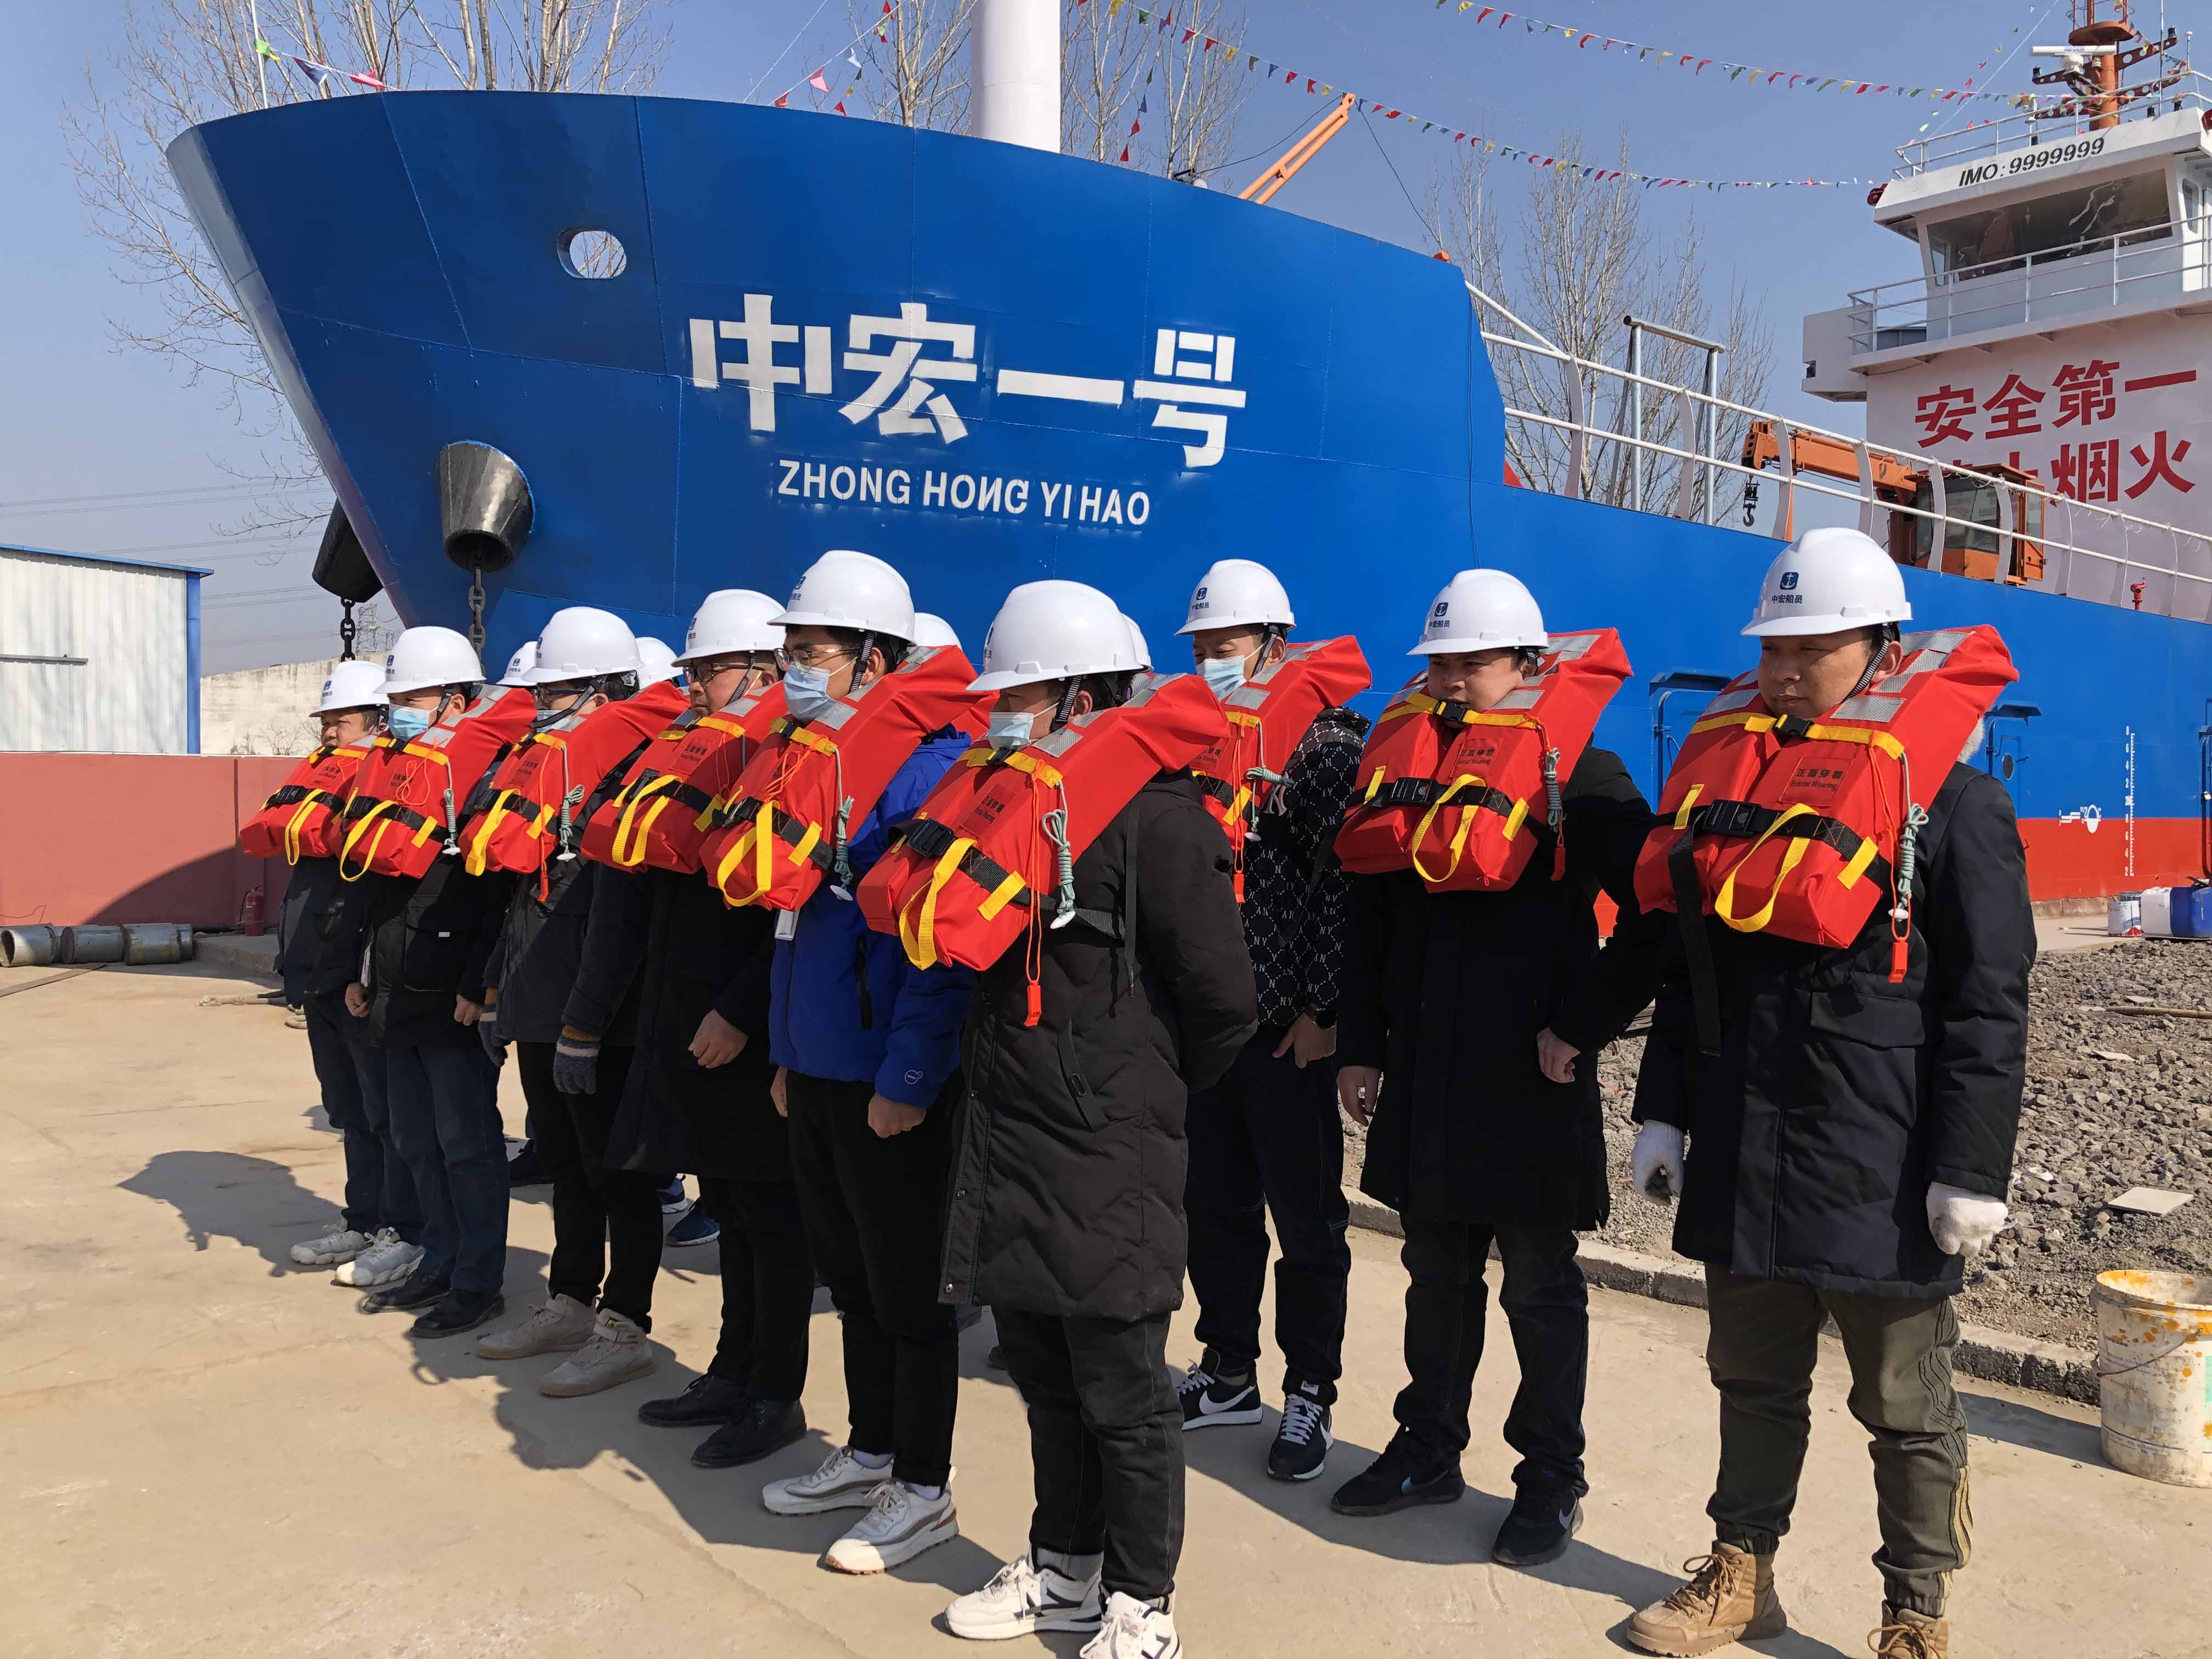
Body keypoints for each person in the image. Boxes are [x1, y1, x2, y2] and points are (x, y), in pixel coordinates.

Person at [1624, 530, 2030, 1659]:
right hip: (1746, 1144)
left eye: (1815, 647)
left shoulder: (1956, 805)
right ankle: (1741, 1573)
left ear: (1883, 649)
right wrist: (1666, 1105)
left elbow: (1990, 1004)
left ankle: (1916, 1613)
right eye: (1774, 648)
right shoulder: (1735, 788)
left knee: (1905, 1404)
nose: (1786, 669)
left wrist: (1970, 1169)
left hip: (1880, 1164)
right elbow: (1692, 966)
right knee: (1750, 1378)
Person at [938, 581, 1257, 1657]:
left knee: (1124, 1391)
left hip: (1106, 1145)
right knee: (1044, 1376)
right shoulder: (1013, 806)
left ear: (1080, 697)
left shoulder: (1163, 821)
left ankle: (1141, 1600)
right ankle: (1063, 1567)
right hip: (1011, 1135)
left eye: (1017, 695)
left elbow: (1224, 1002)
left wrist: (1132, 1092)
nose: (999, 714)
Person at [1330, 569, 1663, 1567]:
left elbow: (1655, 912)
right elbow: (1368, 915)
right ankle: (1427, 1447)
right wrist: (1361, 1042)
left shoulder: (1581, 773)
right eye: (1437, 663)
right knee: (1433, 1276)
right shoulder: (1406, 767)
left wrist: (1581, 1023)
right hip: (1426, 1073)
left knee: (1539, 1288)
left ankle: (1550, 1476)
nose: (1447, 680)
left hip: (1529, 1081)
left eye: (1468, 662)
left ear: (1527, 664)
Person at [753, 550, 976, 1575]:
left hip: (884, 1075)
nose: (794, 671)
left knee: (908, 1290)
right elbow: (794, 925)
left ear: (875, 660)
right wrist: (787, 1050)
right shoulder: (820, 762)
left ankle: (923, 1488)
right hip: (818, 1063)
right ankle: (872, 1450)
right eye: (790, 653)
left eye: (813, 652)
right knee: (850, 1277)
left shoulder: (927, 773)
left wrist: (909, 1078)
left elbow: (936, 949)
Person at [613, 589, 821, 1470]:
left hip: (749, 1027)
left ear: (764, 673)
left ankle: (775, 1394)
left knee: (772, 1219)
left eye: (711, 669)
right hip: (695, 1015)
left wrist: (739, 1013)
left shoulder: (791, 762)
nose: (694, 685)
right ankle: (733, 1370)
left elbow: (788, 916)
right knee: (731, 1208)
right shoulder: (718, 752)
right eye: (691, 670)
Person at [1171, 558, 1367, 1482]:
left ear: (1275, 645)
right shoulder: (1191, 741)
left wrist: (1327, 1012)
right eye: (1201, 648)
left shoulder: (1324, 749)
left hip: (1288, 1026)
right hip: (1210, 1024)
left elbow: (1344, 889)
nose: (1212, 661)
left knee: (1307, 1220)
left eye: (1228, 645)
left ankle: (1310, 1388)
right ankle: (1226, 1369)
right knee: (1213, 1204)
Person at [475, 608, 672, 1396]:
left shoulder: (634, 776)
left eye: (555, 692)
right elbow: (524, 901)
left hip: (602, 1020)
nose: (541, 706)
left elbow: (615, 921)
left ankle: (625, 1325)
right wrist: (500, 991)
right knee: (566, 1168)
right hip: (542, 1004)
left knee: (619, 1175)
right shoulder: (552, 770)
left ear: (604, 691)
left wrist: (586, 1025)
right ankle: (570, 1300)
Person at [343, 626, 514, 1339]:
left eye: (411, 699)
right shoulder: (399, 772)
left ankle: (477, 1281)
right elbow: (378, 894)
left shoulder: (489, 775)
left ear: (455, 700)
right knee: (415, 1139)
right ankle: (438, 1259)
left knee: (466, 1145)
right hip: (395, 986)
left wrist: (481, 984)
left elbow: (496, 897)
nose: (399, 713)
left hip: (452, 996)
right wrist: (362, 973)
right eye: (395, 701)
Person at [283, 661, 424, 1290]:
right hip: (317, 975)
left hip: (354, 979)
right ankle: (364, 1220)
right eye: (326, 721)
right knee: (348, 1110)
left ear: (378, 720)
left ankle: (403, 1229)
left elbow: (375, 900)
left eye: (340, 720)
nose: (329, 732)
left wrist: (361, 975)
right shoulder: (325, 779)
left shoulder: (390, 786)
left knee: (383, 1113)